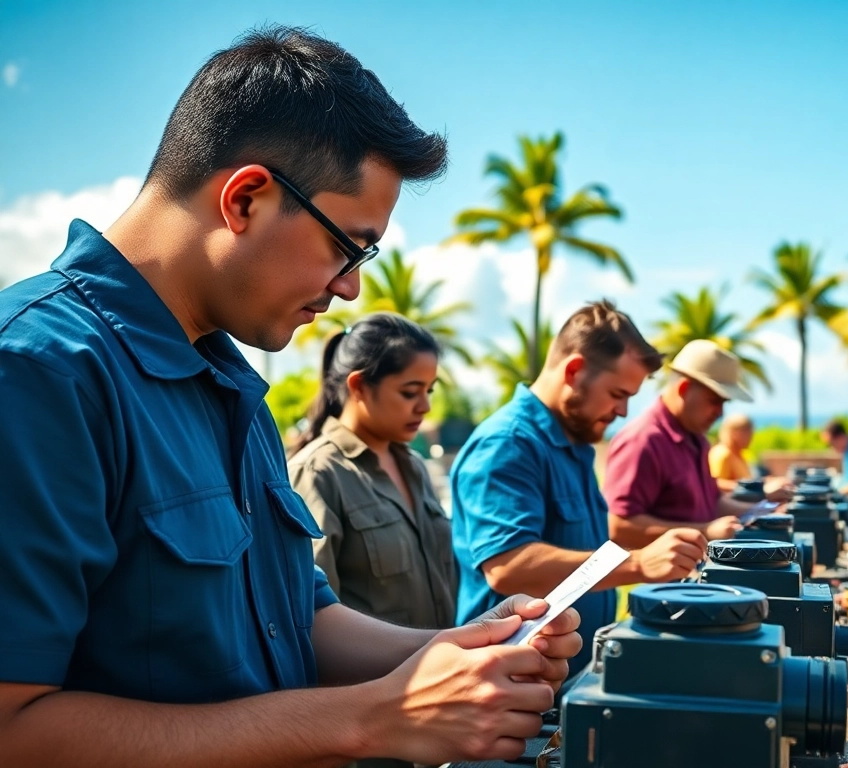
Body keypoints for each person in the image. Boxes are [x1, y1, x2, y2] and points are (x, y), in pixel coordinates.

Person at [0, 29, 581, 767]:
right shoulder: (37, 372)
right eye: (348, 247)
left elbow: (293, 616)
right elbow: (12, 730)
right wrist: (374, 719)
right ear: (246, 198)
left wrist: (454, 652)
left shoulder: (231, 384)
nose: (351, 288)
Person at [451, 301, 710, 671]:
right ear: (574, 371)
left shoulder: (574, 443)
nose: (623, 412)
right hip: (507, 686)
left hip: (564, 680)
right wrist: (638, 563)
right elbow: (508, 565)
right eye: (618, 394)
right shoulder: (507, 443)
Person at [289, 314, 458, 637]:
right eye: (410, 392)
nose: (424, 406)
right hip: (374, 683)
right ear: (359, 386)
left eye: (429, 391)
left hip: (441, 674)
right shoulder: (317, 474)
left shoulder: (415, 467)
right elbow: (314, 617)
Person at [605, 340, 759, 548]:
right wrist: (704, 532)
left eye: (724, 403)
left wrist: (760, 511)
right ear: (684, 388)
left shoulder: (698, 440)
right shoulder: (643, 441)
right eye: (714, 400)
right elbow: (619, 527)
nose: (720, 413)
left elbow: (713, 503)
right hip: (663, 580)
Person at [709, 413, 794, 501]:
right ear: (735, 432)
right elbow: (715, 483)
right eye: (748, 433)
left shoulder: (740, 454)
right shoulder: (722, 454)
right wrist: (752, 489)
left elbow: (743, 480)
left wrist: (764, 482)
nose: (751, 437)